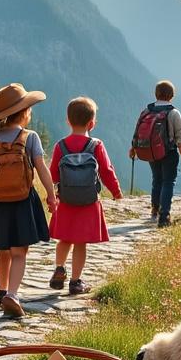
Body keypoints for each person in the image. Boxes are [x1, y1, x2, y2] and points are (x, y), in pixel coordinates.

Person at [0, 84, 57, 318]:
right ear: (25, 112)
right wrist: (51, 195)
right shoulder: (29, 137)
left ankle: (2, 289)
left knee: (3, 250)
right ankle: (12, 295)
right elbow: (42, 168)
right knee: (19, 252)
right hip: (23, 199)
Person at [48, 96, 123, 294]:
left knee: (64, 239)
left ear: (68, 121)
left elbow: (53, 173)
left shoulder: (60, 146)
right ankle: (75, 281)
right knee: (80, 243)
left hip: (65, 201)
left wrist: (52, 193)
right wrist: (115, 191)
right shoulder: (96, 145)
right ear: (92, 123)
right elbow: (107, 170)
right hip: (89, 202)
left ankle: (59, 268)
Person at [132, 80, 181, 227]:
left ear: (156, 94)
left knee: (156, 180)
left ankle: (154, 211)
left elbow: (138, 132)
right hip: (169, 152)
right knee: (168, 182)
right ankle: (164, 217)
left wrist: (133, 148)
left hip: (150, 151)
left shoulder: (147, 111)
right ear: (172, 96)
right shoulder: (173, 113)